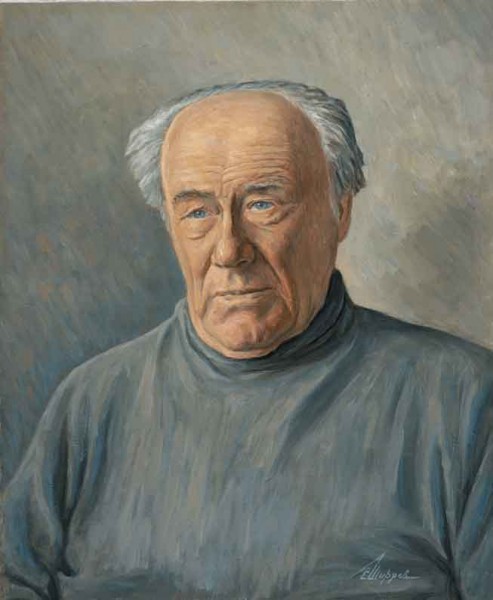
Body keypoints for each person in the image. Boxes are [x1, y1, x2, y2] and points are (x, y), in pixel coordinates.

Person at [3, 80, 493, 600]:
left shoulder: (465, 403)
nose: (229, 250)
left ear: (340, 211)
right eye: (198, 212)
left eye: (262, 204)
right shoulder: (91, 403)